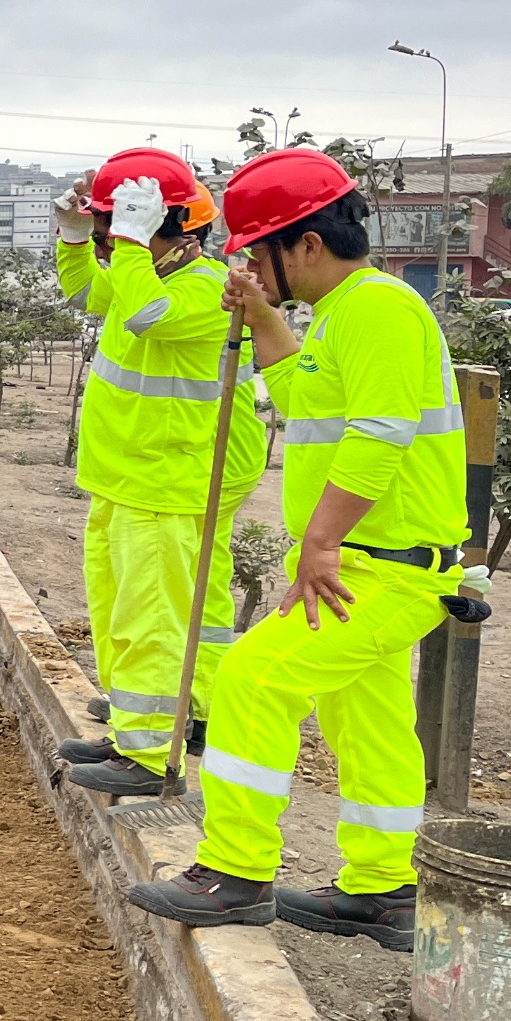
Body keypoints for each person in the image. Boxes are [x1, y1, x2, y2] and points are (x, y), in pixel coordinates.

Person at [129, 148, 480, 949]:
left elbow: (381, 436)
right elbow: (299, 396)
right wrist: (260, 316)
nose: (251, 263)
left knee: (255, 678)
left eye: (258, 250)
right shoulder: (346, 314)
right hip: (373, 563)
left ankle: (235, 870)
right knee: (370, 723)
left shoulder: (381, 310)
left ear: (305, 245)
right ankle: (384, 890)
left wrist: (321, 541)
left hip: (379, 566)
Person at [49, 149, 264, 794]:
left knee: (154, 612)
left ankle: (145, 755)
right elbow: (89, 292)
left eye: (122, 229)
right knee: (147, 604)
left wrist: (133, 246)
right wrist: (73, 236)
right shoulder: (150, 269)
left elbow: (144, 315)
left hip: (171, 479)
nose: (114, 244)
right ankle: (183, 713)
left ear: (165, 229)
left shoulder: (201, 289)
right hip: (132, 474)